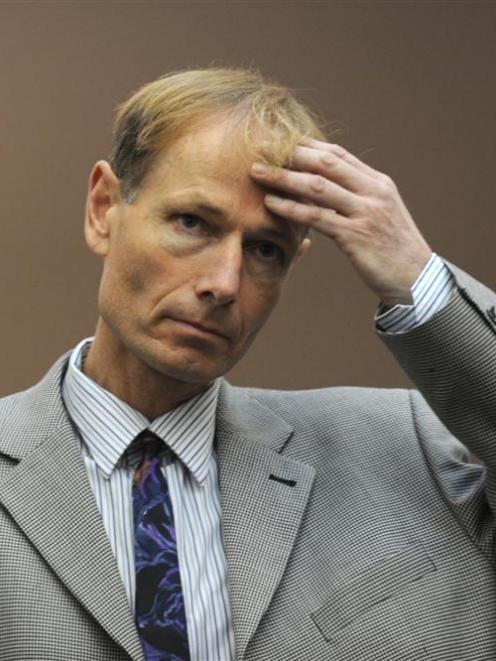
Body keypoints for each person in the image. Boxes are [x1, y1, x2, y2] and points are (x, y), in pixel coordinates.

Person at [0, 67, 495, 661]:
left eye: (265, 250)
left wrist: (418, 276)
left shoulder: (402, 448)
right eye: (193, 223)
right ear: (104, 208)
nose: (224, 283)